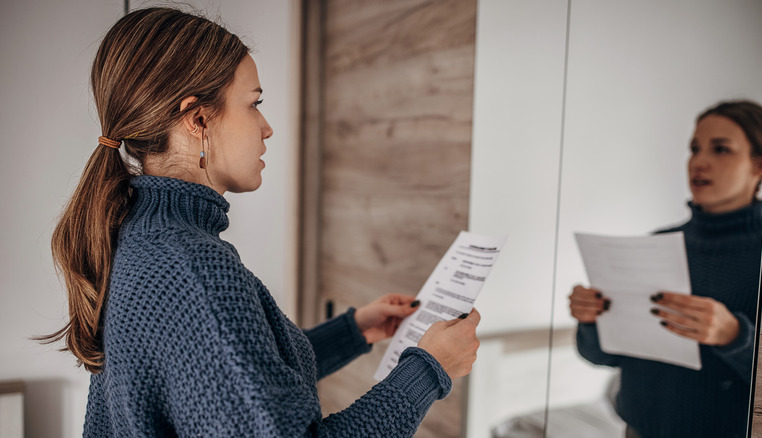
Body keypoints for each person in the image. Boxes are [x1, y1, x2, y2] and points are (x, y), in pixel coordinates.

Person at [40, 8, 480, 437]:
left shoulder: (140, 234)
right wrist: (429, 370)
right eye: (254, 104)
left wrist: (354, 330)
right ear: (198, 119)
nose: (266, 128)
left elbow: (231, 382)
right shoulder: (193, 269)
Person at [569, 100, 762, 438]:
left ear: (760, 165)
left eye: (721, 149)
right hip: (637, 430)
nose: (699, 161)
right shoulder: (657, 244)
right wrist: (590, 321)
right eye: (694, 149)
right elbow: (600, 356)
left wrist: (735, 336)